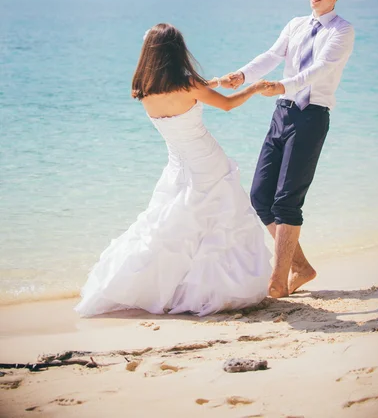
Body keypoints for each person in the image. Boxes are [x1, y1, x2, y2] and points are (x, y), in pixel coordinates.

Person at [75, 23, 272, 318]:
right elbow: (228, 105)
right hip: (206, 161)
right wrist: (255, 87)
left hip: (177, 165)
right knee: (219, 225)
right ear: (176, 51)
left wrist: (215, 82)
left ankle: (162, 288)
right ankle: (214, 291)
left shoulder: (143, 89)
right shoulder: (188, 84)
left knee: (170, 228)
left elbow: (189, 91)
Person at [219, 0, 355, 299]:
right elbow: (271, 55)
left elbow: (320, 69)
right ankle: (301, 267)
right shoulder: (296, 24)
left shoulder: (342, 30)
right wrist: (242, 75)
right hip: (282, 114)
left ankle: (277, 284)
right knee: (260, 197)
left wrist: (282, 84)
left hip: (311, 117)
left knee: (287, 202)